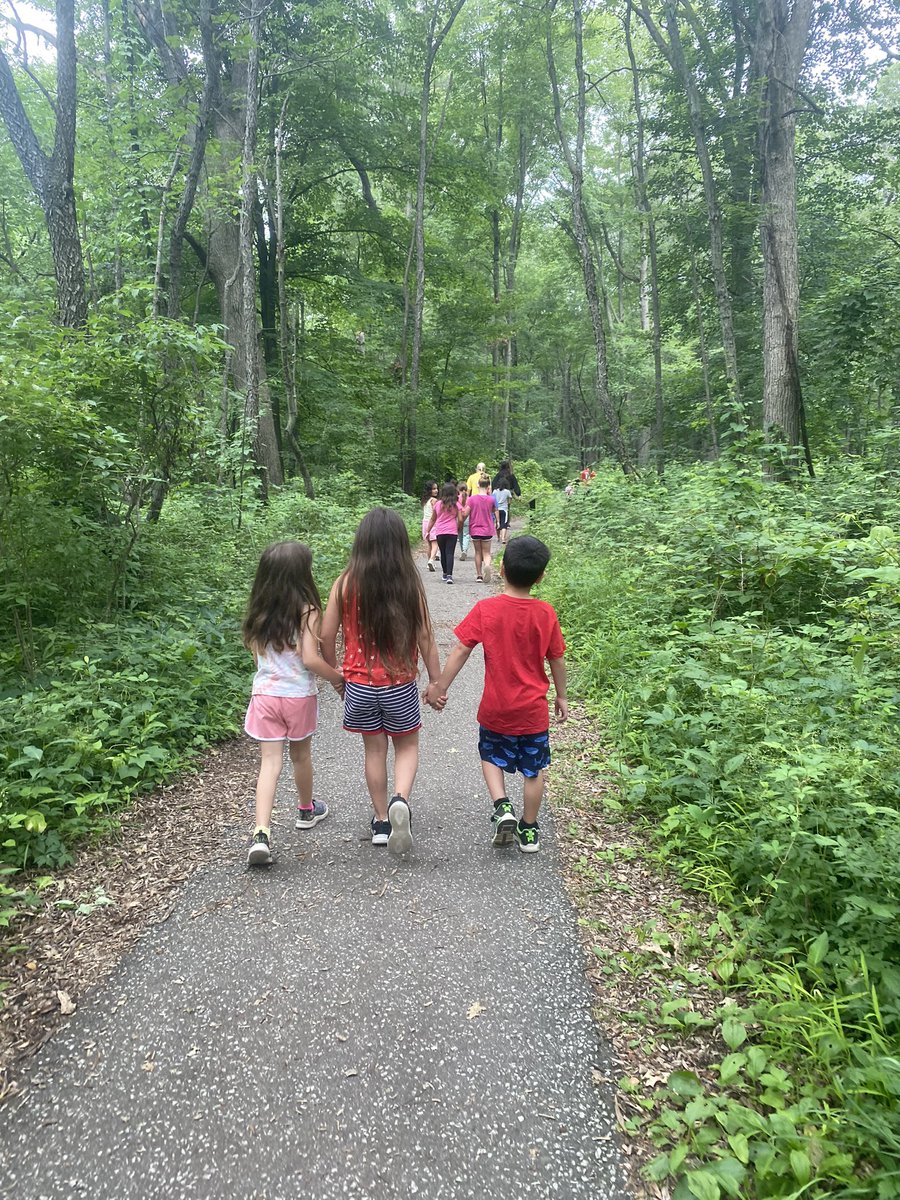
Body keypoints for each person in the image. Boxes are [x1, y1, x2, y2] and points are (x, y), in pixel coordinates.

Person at [426, 535, 567, 855]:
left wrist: (440, 687)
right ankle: (529, 830)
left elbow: (461, 649)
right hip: (533, 713)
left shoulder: (486, 609)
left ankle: (502, 805)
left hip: (496, 709)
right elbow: (557, 658)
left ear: (501, 569)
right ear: (541, 576)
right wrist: (561, 696)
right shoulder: (546, 614)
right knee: (534, 771)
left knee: (490, 756)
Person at [320, 508, 442, 854]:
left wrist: (335, 674)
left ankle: (379, 821)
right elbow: (426, 639)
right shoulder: (408, 585)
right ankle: (400, 800)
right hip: (400, 684)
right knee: (406, 745)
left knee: (374, 750)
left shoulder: (344, 584)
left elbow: (326, 636)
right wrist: (435, 682)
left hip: (358, 686)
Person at [242, 541, 345, 867]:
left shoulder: (258, 613)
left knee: (270, 763)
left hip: (265, 697)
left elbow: (258, 656)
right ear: (301, 574)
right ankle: (305, 810)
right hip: (297, 697)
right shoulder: (308, 611)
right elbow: (310, 659)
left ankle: (261, 833)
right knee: (300, 755)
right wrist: (336, 677)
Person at [462, 475, 499, 583]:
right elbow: (495, 510)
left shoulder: (472, 499)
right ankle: (487, 565)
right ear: (488, 487)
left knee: (478, 552)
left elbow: (465, 513)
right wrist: (498, 522)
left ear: (478, 485)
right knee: (486, 553)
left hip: (475, 529)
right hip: (487, 529)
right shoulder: (491, 499)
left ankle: (479, 575)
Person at [427, 481, 463, 583]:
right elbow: (460, 519)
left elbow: (433, 519)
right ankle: (450, 576)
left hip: (440, 532)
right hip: (452, 531)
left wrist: (428, 530)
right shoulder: (456, 505)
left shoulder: (438, 504)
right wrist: (459, 528)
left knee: (443, 553)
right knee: (450, 553)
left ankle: (444, 573)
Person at [421, 480, 440, 571]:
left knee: (429, 544)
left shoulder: (425, 500)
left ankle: (429, 561)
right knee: (435, 543)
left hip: (425, 522)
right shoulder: (434, 500)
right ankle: (432, 560)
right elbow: (436, 513)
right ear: (429, 490)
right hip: (432, 523)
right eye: (433, 489)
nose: (436, 490)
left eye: (436, 488)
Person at [492, 478, 512, 545]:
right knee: (504, 524)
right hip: (504, 509)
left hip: (496, 509)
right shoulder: (507, 491)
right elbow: (510, 498)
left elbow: (492, 499)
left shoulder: (495, 491)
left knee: (498, 523)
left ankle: (498, 537)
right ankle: (503, 538)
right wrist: (509, 504)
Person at [456, 483, 471, 561]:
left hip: (459, 517)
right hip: (467, 517)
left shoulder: (457, 498)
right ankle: (464, 550)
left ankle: (462, 550)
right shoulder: (469, 498)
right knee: (466, 534)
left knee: (460, 534)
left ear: (458, 490)